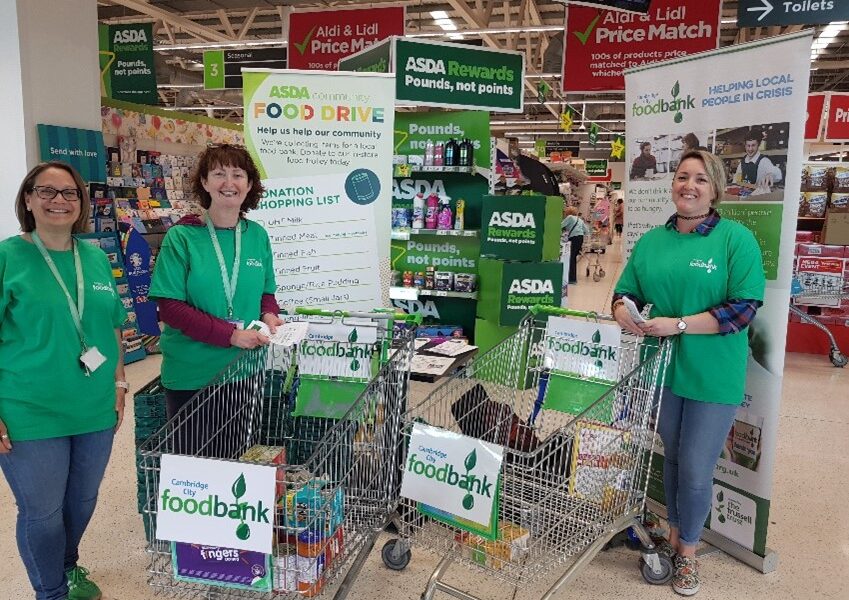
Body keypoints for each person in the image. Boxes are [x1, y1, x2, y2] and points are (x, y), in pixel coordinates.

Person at [612, 150, 765, 597]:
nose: (689, 186)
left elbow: (742, 309)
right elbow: (624, 291)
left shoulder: (736, 240)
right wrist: (623, 311)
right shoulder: (651, 242)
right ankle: (676, 535)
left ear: (714, 189)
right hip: (660, 371)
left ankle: (690, 555)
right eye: (682, 177)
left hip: (712, 373)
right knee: (674, 455)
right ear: (672, 183)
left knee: (697, 467)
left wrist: (677, 325)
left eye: (700, 179)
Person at [0, 162, 128, 600]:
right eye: (47, 191)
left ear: (81, 203)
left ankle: (68, 565)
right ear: (28, 200)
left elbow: (112, 325)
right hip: (28, 409)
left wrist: (119, 382)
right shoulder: (7, 257)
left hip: (93, 405)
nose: (59, 200)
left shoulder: (93, 256)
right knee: (43, 511)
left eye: (70, 193)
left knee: (83, 501)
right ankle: (50, 592)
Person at [149, 144, 283, 454]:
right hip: (192, 374)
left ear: (249, 185)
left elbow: (266, 292)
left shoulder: (257, 235)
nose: (229, 183)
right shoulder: (181, 238)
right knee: (196, 470)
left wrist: (269, 315)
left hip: (245, 370)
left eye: (238, 175)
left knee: (239, 458)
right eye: (219, 174)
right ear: (205, 183)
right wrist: (231, 335)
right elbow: (170, 308)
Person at [561, 206, 589, 285]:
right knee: (573, 258)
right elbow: (586, 231)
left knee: (571, 258)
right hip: (580, 238)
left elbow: (561, 225)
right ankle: (572, 278)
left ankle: (572, 279)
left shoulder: (569, 217)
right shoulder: (579, 219)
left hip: (574, 238)